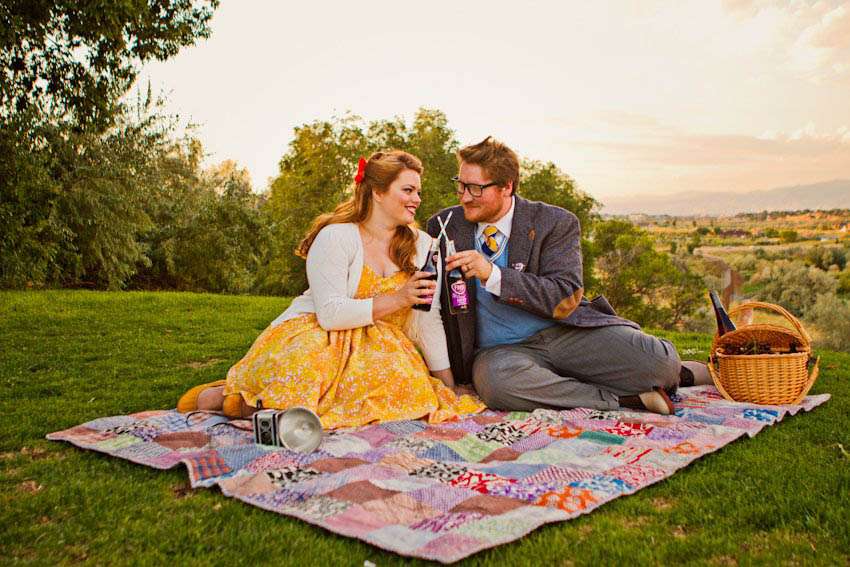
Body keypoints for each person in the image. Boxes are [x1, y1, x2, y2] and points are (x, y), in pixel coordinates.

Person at [177, 150, 484, 428]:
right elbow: (330, 314)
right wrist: (398, 298)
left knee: (407, 390)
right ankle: (231, 398)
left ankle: (259, 403)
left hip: (380, 347)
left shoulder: (423, 245)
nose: (416, 199)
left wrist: (447, 384)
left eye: (418, 191)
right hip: (319, 334)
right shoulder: (336, 237)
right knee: (305, 374)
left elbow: (426, 321)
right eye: (407, 190)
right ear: (377, 192)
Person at [426, 137, 710, 416]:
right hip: (501, 352)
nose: (464, 196)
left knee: (659, 364)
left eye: (475, 189)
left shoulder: (555, 222)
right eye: (460, 185)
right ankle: (626, 399)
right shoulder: (443, 226)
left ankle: (680, 373)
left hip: (566, 333)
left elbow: (564, 293)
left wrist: (493, 274)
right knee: (496, 385)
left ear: (506, 187)